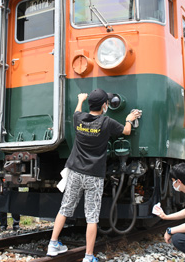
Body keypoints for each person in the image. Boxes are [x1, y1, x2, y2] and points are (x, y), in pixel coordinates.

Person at [46, 89, 141, 262]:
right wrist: (129, 119)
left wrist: (80, 99)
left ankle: (53, 244)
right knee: (92, 217)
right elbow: (126, 131)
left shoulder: (78, 119)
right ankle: (88, 257)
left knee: (65, 208)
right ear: (105, 105)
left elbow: (76, 111)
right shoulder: (107, 122)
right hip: (94, 175)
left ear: (90, 104)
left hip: (75, 172)